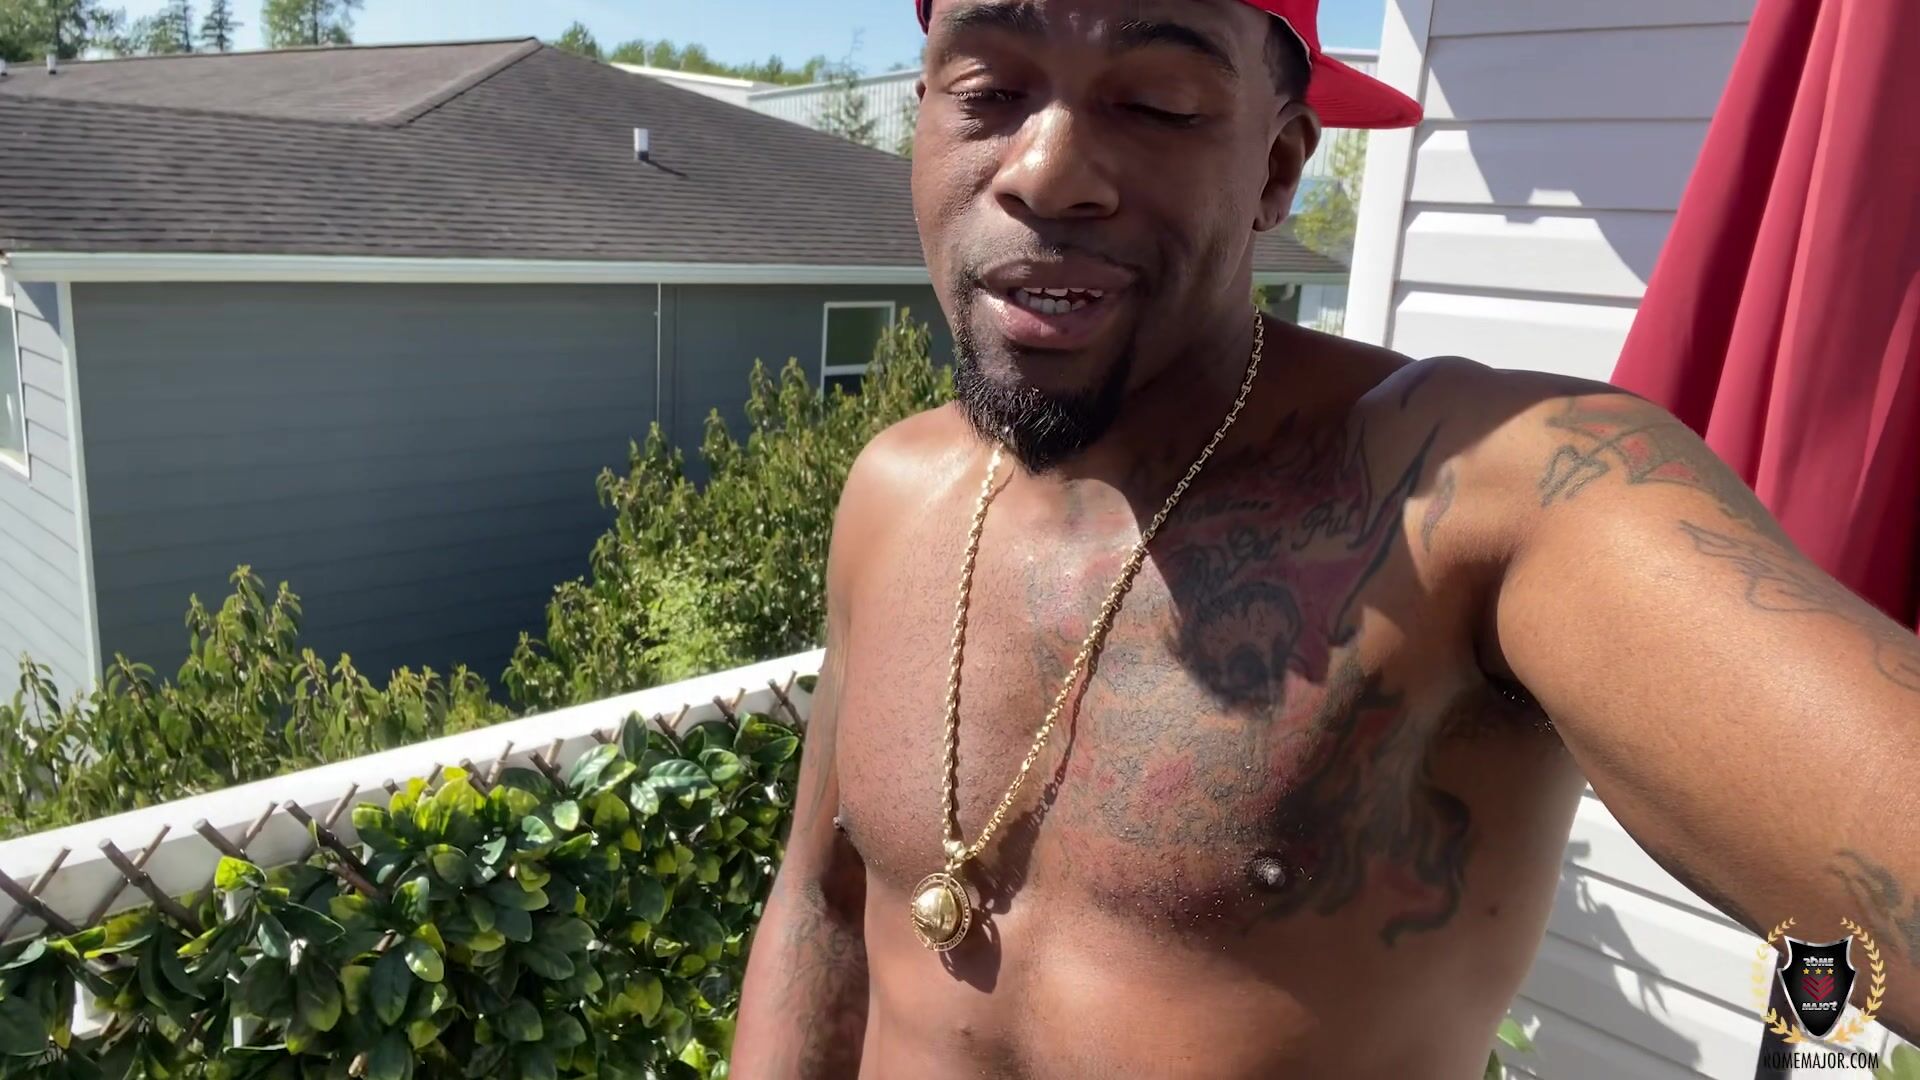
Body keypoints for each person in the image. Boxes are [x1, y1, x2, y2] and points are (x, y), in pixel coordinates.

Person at [733, 0, 1920, 1075]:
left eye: (1158, 104)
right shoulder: (892, 491)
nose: (1046, 174)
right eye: (989, 90)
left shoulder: (1475, 493)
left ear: (1278, 166)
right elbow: (820, 906)